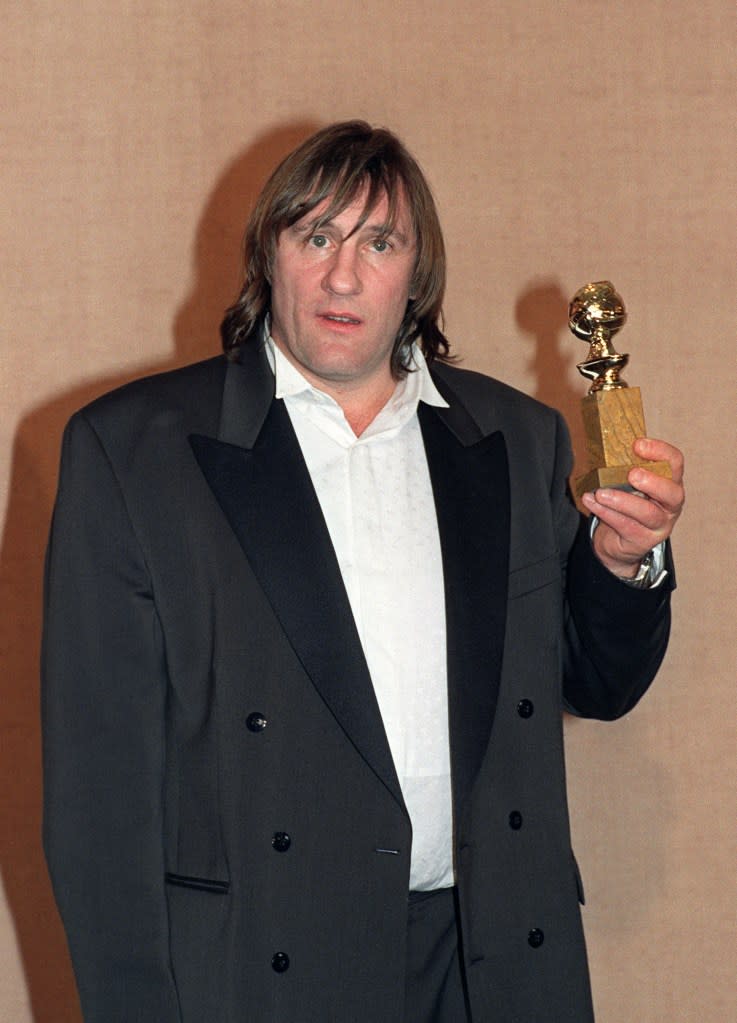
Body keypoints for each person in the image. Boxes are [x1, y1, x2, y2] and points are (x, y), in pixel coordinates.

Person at [42, 121, 684, 1023]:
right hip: (261, 969)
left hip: (490, 959)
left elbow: (598, 682)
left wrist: (623, 566)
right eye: (316, 236)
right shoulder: (133, 451)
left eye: (379, 242)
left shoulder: (513, 440)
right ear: (268, 255)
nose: (343, 276)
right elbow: (96, 799)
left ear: (415, 274)